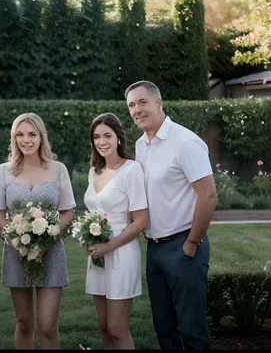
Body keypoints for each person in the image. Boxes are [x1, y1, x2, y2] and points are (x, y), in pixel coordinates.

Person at [125, 80, 218, 350]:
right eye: (131, 105)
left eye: (142, 102)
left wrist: (191, 243)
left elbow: (208, 195)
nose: (137, 110)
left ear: (159, 103)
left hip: (183, 246)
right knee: (164, 328)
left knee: (192, 331)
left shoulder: (185, 142)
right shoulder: (141, 144)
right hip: (154, 249)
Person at [0, 112, 76, 350]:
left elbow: (67, 211)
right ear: (13, 138)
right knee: (24, 322)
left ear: (41, 137)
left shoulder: (58, 169)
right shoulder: (3, 171)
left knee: (48, 325)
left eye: (32, 134)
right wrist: (15, 242)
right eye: (20, 135)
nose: (26, 140)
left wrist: (46, 242)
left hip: (51, 253)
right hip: (16, 254)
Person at [83, 113, 149, 350]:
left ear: (118, 138)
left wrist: (108, 246)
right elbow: (94, 211)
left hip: (121, 253)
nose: (102, 142)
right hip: (97, 256)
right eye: (97, 137)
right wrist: (89, 237)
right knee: (103, 324)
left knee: (117, 328)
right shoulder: (94, 171)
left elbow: (141, 221)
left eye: (107, 136)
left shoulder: (131, 170)